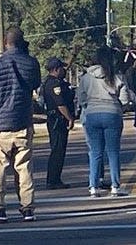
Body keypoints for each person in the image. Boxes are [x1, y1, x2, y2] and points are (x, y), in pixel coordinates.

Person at [0, 26, 40, 224]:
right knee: (24, 167)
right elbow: (35, 85)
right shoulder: (32, 63)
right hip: (23, 121)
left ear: (5, 43)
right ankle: (28, 207)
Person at [78, 46, 134, 197]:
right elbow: (125, 100)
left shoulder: (86, 77)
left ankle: (93, 187)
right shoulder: (117, 77)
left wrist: (89, 105)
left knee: (95, 152)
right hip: (112, 114)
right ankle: (115, 186)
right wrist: (119, 108)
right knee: (113, 151)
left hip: (92, 114)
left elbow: (81, 99)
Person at [42, 57, 75, 190]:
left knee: (60, 150)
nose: (64, 70)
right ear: (56, 69)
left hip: (58, 120)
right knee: (57, 150)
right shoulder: (54, 84)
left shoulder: (57, 82)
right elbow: (60, 104)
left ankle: (56, 178)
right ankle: (53, 180)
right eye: (61, 68)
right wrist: (70, 118)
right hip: (57, 120)